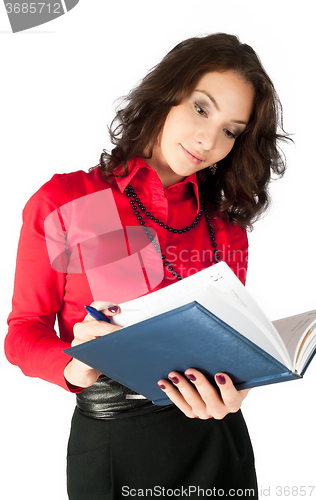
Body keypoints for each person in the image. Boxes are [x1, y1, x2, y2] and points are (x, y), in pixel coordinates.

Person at [5, 33, 290, 499]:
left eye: (231, 130)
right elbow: (22, 330)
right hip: (116, 445)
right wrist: (74, 367)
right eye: (202, 108)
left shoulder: (225, 232)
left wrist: (238, 388)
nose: (209, 139)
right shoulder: (72, 201)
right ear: (167, 93)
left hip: (218, 447)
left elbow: (227, 349)